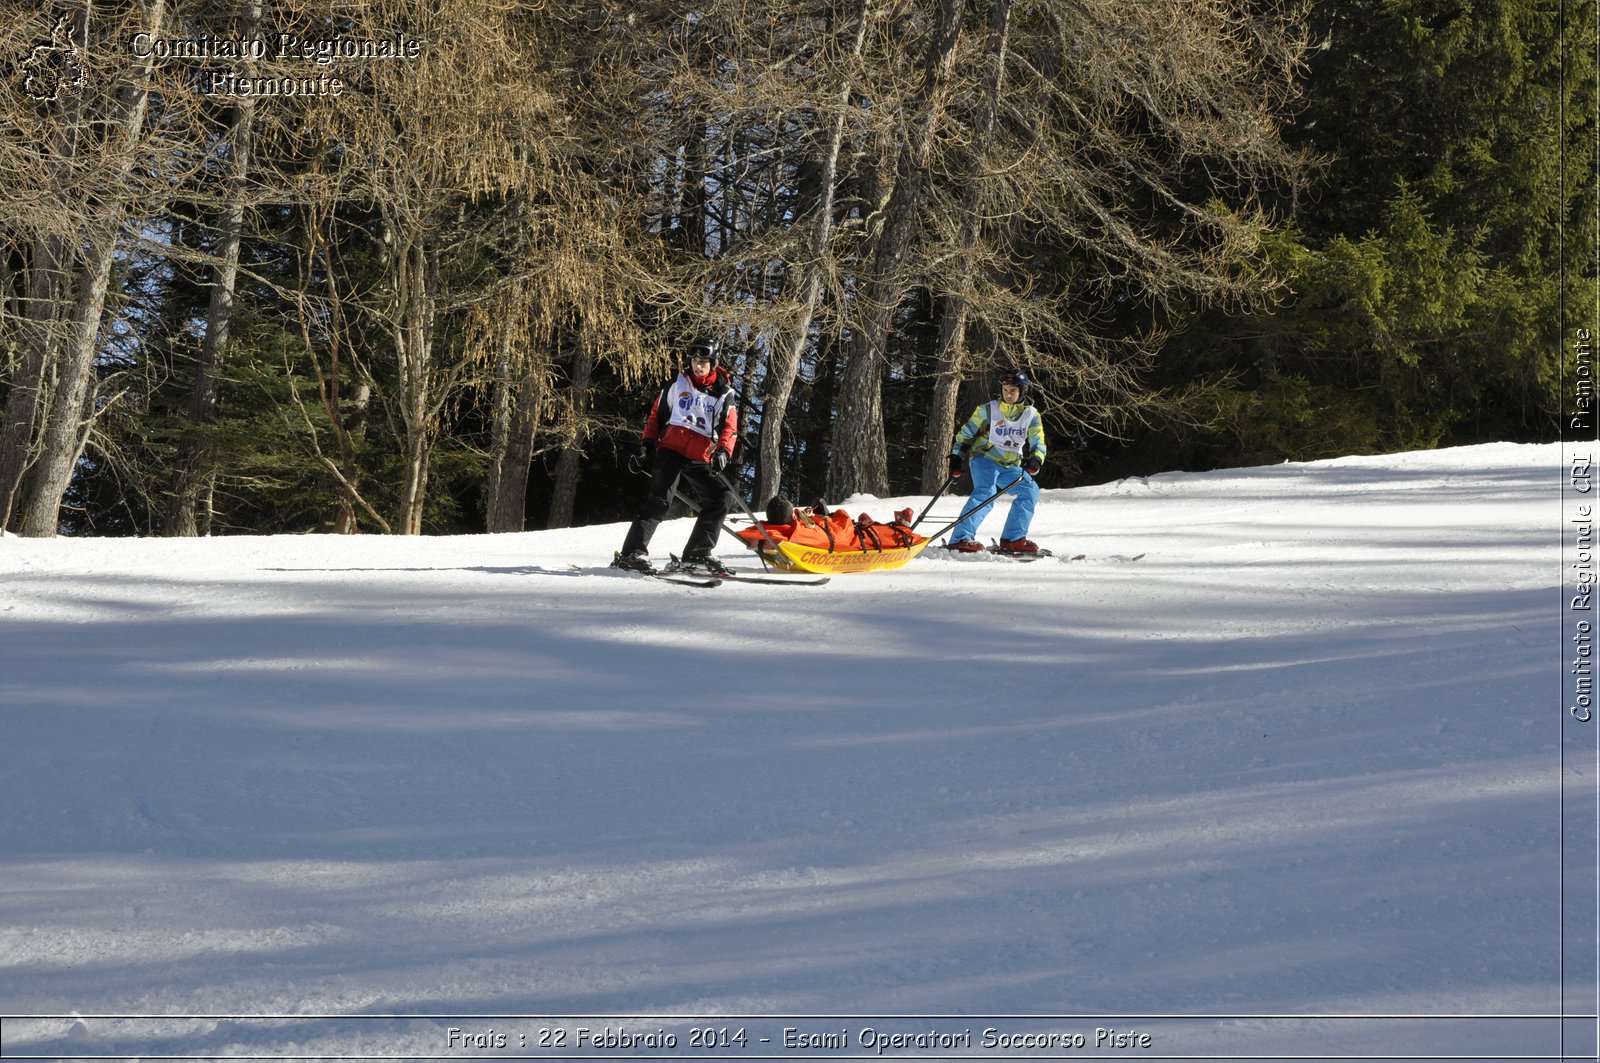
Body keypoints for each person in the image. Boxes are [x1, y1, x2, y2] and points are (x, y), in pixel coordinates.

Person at [612, 337, 740, 574]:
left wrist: (723, 452)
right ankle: (632, 554)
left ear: (713, 362)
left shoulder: (724, 393)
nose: (697, 365)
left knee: (722, 498)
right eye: (694, 360)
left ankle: (697, 554)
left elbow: (729, 428)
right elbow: (656, 417)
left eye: (703, 361)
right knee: (660, 499)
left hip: (700, 456)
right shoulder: (678, 383)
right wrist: (646, 445)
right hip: (671, 450)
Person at [944, 369, 1047, 553]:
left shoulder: (1031, 415)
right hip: (985, 459)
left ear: (1022, 392)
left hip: (1010, 466)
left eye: (1013, 391)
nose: (1008, 394)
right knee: (987, 492)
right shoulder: (988, 410)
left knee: (1030, 489)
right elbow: (966, 434)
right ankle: (961, 538)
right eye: (1005, 390)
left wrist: (1036, 460)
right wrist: (957, 457)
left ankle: (1013, 539)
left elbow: (1038, 441)